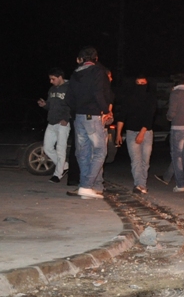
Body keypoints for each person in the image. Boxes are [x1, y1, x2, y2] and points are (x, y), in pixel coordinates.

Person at [66, 46, 112, 200]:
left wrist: (78, 108)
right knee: (100, 151)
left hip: (78, 116)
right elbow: (98, 93)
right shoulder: (97, 72)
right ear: (95, 59)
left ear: (81, 59)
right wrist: (105, 110)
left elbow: (68, 98)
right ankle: (86, 186)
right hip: (92, 116)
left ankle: (84, 186)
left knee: (83, 153)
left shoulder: (75, 74)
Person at [114, 75, 156, 195]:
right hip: (131, 132)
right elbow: (122, 116)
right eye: (138, 83)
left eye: (143, 83)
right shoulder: (128, 98)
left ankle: (142, 183)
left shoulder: (150, 98)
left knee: (145, 160)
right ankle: (139, 185)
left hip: (146, 133)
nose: (140, 86)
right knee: (136, 160)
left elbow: (149, 116)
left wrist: (142, 133)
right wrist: (118, 134)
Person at [37, 68, 70, 183]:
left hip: (63, 123)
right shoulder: (51, 89)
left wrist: (67, 118)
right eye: (50, 79)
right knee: (47, 147)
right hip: (51, 122)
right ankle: (64, 166)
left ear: (60, 77)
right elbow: (50, 106)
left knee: (61, 149)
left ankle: (57, 175)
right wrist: (44, 105)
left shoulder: (69, 88)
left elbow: (73, 105)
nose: (51, 81)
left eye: (53, 79)